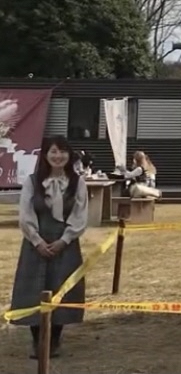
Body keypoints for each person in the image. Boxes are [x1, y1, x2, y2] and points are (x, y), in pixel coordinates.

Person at [9, 136, 88, 359]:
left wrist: (65, 239)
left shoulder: (77, 182)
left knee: (61, 289)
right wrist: (37, 241)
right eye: (53, 151)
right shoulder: (33, 182)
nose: (58, 156)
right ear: (45, 154)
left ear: (68, 155)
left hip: (66, 244)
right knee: (35, 291)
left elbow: (80, 214)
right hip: (37, 244)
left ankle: (54, 340)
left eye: (62, 151)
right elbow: (26, 214)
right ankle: (38, 341)